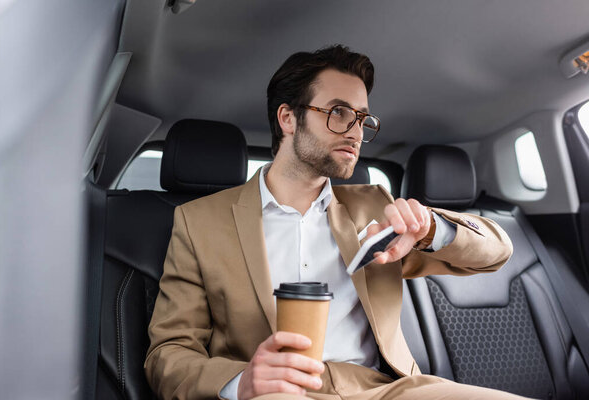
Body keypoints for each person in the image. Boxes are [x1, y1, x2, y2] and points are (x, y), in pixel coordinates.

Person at [145, 45, 525, 400]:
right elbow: (168, 355)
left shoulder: (376, 207)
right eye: (338, 112)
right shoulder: (199, 222)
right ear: (288, 118)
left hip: (383, 390)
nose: (357, 132)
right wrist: (240, 382)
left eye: (362, 119)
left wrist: (429, 228)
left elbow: (496, 252)